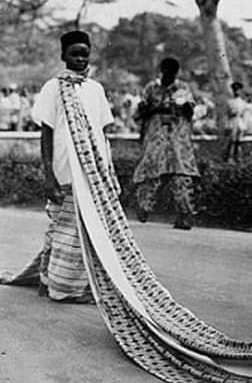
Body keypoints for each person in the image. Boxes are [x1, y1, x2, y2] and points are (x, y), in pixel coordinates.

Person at [32, 29, 115, 302]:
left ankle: (71, 284)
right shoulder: (53, 88)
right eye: (74, 54)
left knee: (89, 230)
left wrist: (107, 173)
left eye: (84, 53)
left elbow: (102, 133)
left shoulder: (95, 89)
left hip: (92, 172)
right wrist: (49, 177)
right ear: (63, 56)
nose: (80, 59)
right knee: (64, 229)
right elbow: (46, 133)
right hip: (64, 169)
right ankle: (60, 287)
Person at [132, 57, 199, 230]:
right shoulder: (151, 89)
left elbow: (190, 111)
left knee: (181, 177)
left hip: (177, 140)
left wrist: (182, 105)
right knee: (150, 174)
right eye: (166, 71)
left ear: (176, 73)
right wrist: (153, 109)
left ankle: (185, 215)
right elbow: (139, 112)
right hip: (156, 138)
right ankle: (144, 208)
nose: (169, 75)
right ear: (161, 71)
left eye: (172, 73)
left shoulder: (182, 89)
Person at [225, 81, 248, 161]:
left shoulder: (243, 102)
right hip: (233, 121)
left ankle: (238, 157)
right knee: (232, 141)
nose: (236, 92)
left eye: (238, 90)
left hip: (240, 122)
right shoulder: (229, 102)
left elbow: (244, 114)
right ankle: (230, 157)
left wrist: (244, 125)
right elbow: (227, 113)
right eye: (235, 90)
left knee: (239, 141)